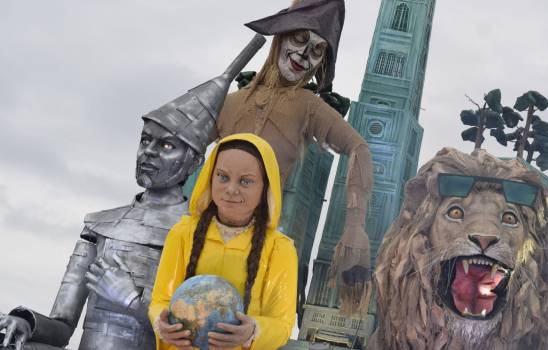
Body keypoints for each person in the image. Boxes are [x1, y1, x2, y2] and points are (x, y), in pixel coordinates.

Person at [0, 37, 263, 350]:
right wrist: (25, 321)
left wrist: (131, 300)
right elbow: (62, 328)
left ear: (194, 161)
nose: (149, 153)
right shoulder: (99, 227)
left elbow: (198, 334)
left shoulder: (203, 235)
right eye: (145, 141)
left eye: (166, 146)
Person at [217, 0, 373, 314]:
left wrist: (355, 225)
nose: (304, 55)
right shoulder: (230, 101)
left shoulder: (307, 105)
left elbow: (358, 148)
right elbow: (179, 137)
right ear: (281, 36)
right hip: (205, 230)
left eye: (317, 50)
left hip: (259, 239)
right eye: (300, 39)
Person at [149, 133, 297, 350]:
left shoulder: (279, 249)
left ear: (265, 187)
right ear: (210, 176)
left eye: (246, 181)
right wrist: (161, 324)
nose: (231, 189)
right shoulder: (183, 233)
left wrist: (253, 330)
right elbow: (160, 299)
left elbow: (282, 324)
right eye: (223, 176)